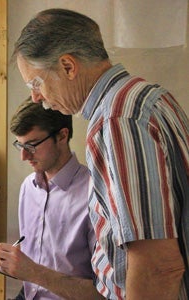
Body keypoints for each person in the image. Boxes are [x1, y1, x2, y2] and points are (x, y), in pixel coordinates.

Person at [13, 8, 189, 299]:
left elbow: (157, 267)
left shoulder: (117, 119)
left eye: (36, 82)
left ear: (68, 66)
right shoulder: (148, 97)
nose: (36, 97)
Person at [0, 98, 101, 299]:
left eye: (32, 145)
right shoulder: (28, 187)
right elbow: (35, 251)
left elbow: (104, 293)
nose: (24, 156)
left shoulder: (95, 193)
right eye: (20, 145)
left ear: (62, 135)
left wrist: (32, 271)